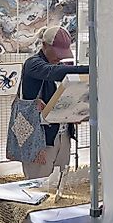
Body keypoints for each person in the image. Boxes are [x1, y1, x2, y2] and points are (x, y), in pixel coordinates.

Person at [20, 26, 88, 179]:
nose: (59, 58)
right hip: (40, 139)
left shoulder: (59, 65)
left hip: (63, 134)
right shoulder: (33, 64)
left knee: (60, 182)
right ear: (44, 45)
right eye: (57, 53)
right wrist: (94, 69)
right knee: (39, 185)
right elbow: (53, 73)